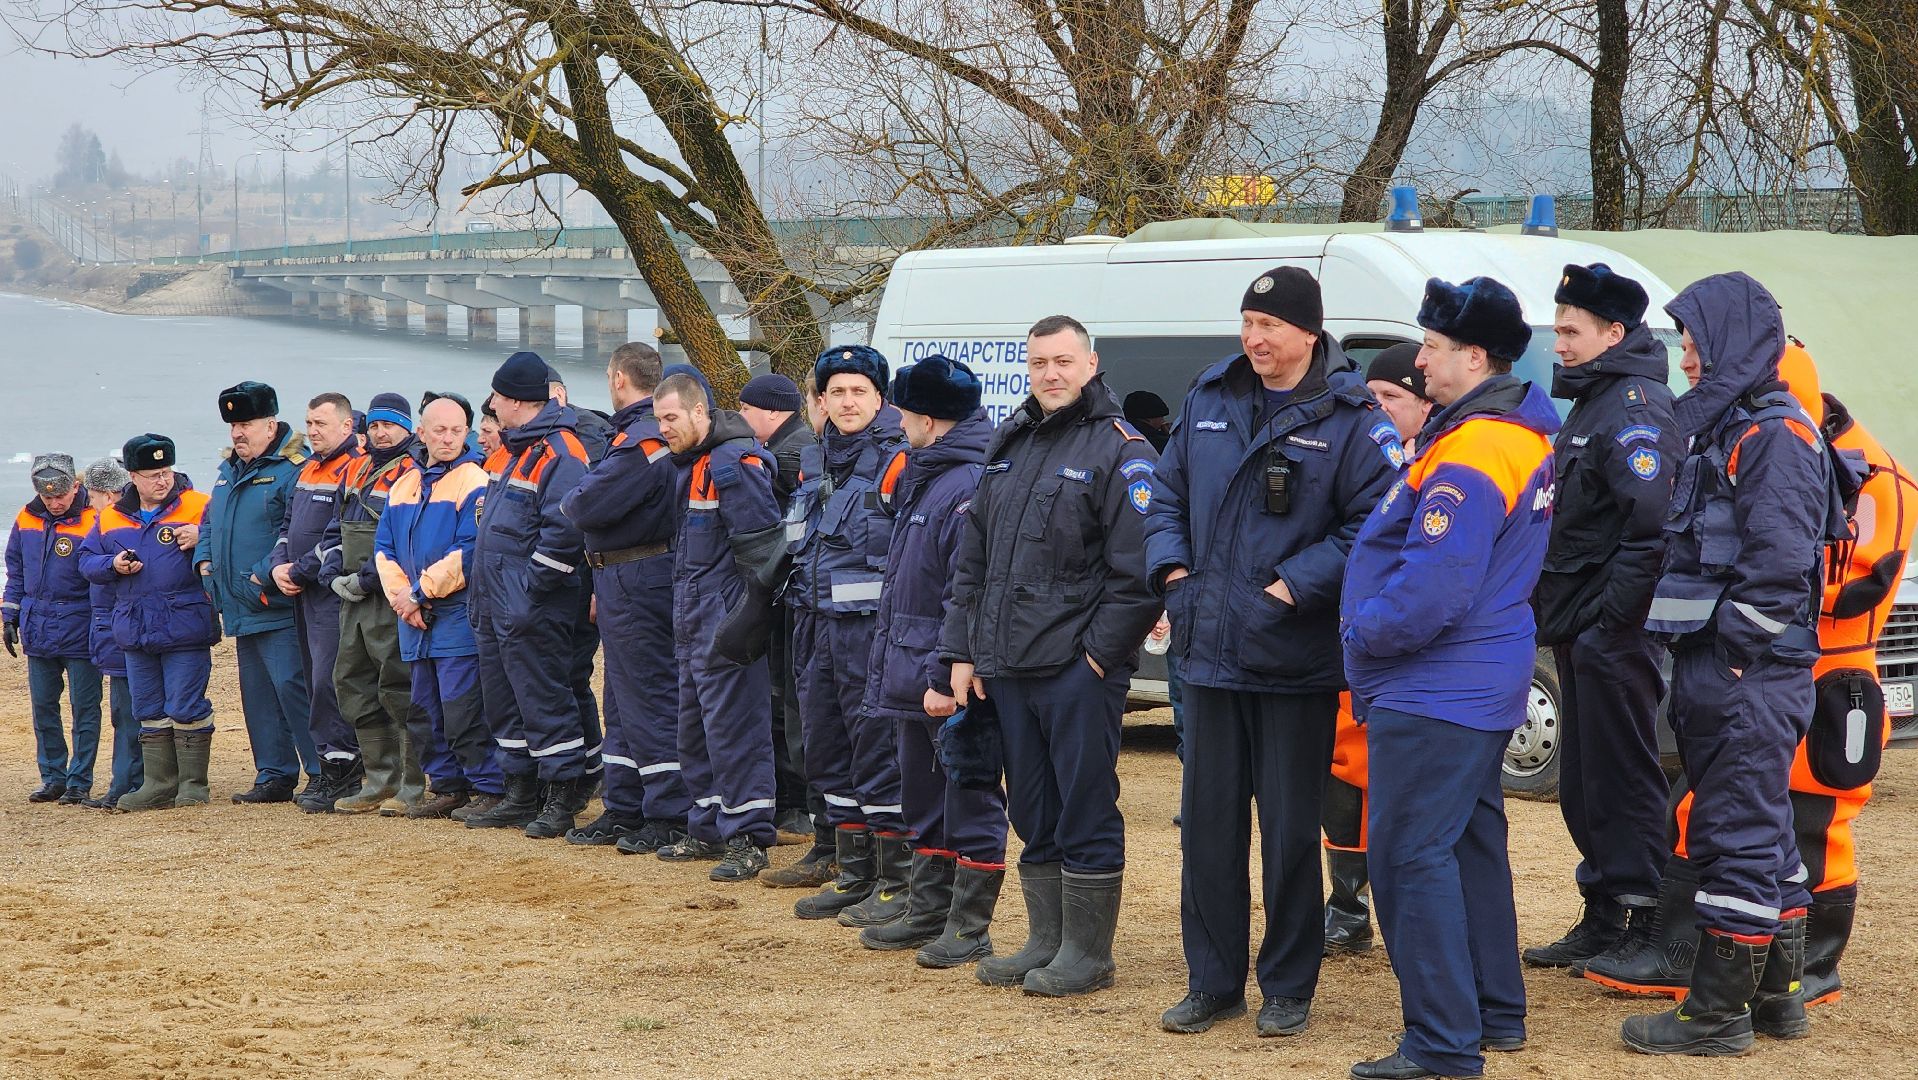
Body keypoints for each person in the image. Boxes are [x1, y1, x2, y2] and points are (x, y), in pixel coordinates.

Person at [1145, 267, 1401, 1037]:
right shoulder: (1210, 397)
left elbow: (1373, 524)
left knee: (1290, 835)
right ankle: (1212, 982)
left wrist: (1291, 588)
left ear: (1309, 334)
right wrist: (1175, 574)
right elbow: (1164, 495)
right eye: (1248, 322)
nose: (1255, 338)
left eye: (1271, 326)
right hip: (1208, 653)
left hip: (1292, 658)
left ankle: (1288, 986)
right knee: (1210, 829)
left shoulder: (1354, 417)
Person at [1340, 276, 1557, 1079]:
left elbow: (1437, 582)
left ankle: (1440, 1042)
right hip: (1472, 678)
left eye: (1431, 347)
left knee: (1407, 857)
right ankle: (1493, 1011)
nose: (1419, 359)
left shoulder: (1476, 447)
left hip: (1438, 684)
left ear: (1473, 356)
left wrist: (1365, 634)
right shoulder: (1499, 433)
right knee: (1466, 846)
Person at [1625, 277, 1846, 1057]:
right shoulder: (1734, 426)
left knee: (1736, 834)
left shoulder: (1774, 436)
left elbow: (1780, 565)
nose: (1686, 359)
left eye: (1694, 344)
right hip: (1730, 669)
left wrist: (1740, 657)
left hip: (1748, 672)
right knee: (1766, 836)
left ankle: (1715, 1014)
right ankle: (1779, 999)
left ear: (1730, 343)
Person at [941, 314, 1161, 998]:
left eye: (1063, 361)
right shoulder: (1012, 443)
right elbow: (971, 560)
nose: (1051, 374)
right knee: (1032, 810)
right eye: (1039, 363)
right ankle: (1045, 939)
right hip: (1006, 666)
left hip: (1075, 670)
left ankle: (1088, 954)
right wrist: (961, 651)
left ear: (1091, 364)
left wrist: (1097, 659)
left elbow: (1139, 573)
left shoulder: (1122, 450)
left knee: (1084, 807)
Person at [1522, 264, 1683, 972]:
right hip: (1584, 628)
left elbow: (1651, 528)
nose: (1557, 342)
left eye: (1569, 330)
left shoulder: (1636, 407)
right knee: (1587, 785)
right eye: (1557, 328)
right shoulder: (1596, 401)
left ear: (1613, 333)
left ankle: (1646, 919)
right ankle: (1604, 914)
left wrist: (1611, 625)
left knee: (1623, 777)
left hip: (1613, 633)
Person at [858, 354, 1011, 964]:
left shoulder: (963, 484)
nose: (895, 419)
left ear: (925, 416)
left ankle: (970, 927)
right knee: (924, 797)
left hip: (939, 677)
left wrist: (944, 675)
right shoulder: (933, 473)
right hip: (910, 667)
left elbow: (963, 590)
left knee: (968, 797)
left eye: (901, 409)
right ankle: (929, 911)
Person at [780, 346, 913, 925]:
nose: (848, 401)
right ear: (822, 400)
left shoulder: (900, 461)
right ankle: (853, 872)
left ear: (880, 398)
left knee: (877, 755)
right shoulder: (814, 460)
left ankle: (895, 879)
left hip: (870, 637)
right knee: (826, 753)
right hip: (813, 629)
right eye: (837, 392)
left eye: (859, 391)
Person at [1321, 344, 1434, 956]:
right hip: (1349, 640)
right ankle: (1347, 903)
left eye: (1393, 397)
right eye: (1373, 396)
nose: (1379, 408)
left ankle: (1393, 905)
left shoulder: (1439, 467)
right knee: (1342, 770)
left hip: (1406, 650)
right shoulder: (1360, 457)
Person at [558, 342, 692, 852]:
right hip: (620, 575)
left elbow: (584, 503)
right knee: (619, 696)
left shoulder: (642, 439)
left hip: (639, 574)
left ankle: (666, 811)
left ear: (618, 378)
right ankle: (625, 804)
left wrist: (583, 495)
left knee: (648, 696)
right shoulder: (638, 434)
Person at [653, 371, 784, 881]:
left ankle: (749, 836)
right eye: (659, 419)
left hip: (724, 619)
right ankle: (707, 824)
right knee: (694, 728)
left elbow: (764, 554)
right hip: (692, 617)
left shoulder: (732, 464)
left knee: (737, 731)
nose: (664, 428)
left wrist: (746, 622)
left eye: (672, 418)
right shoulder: (694, 463)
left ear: (699, 413)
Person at [463, 351, 596, 838]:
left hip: (530, 606)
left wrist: (529, 593)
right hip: (497, 603)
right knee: (504, 700)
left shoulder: (560, 452)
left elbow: (564, 531)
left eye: (498, 395)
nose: (493, 404)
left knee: (545, 699)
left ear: (518, 401)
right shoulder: (519, 449)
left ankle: (561, 796)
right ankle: (520, 791)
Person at [375, 395, 507, 820]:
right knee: (424, 708)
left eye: (456, 430)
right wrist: (403, 598)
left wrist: (420, 593)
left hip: (454, 615)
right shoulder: (404, 484)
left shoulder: (474, 480)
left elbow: (470, 550)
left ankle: (488, 786)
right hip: (413, 619)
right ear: (422, 432)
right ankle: (448, 786)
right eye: (439, 430)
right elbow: (384, 550)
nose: (448, 438)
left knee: (463, 705)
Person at [78, 435, 220, 812]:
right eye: (153, 474)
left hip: (185, 623)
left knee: (186, 704)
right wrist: (113, 565)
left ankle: (193, 786)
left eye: (167, 471)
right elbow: (86, 561)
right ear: (133, 477)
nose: (163, 480)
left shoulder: (199, 504)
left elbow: (228, 541)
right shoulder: (110, 517)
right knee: (148, 708)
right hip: (135, 626)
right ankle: (159, 785)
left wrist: (203, 536)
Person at [199, 381, 319, 804]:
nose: (237, 433)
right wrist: (204, 562)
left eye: (245, 423)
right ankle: (274, 774)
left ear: (271, 424)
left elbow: (297, 532)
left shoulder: (295, 469)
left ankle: (322, 771)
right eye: (233, 425)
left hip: (276, 602)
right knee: (258, 695)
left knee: (293, 687)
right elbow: (210, 523)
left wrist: (260, 576)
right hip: (237, 604)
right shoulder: (228, 470)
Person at [739, 371, 829, 863]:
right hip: (794, 596)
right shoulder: (797, 447)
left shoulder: (788, 455)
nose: (742, 417)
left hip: (793, 597)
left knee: (787, 699)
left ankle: (793, 803)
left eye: (748, 409)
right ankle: (794, 800)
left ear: (772, 411)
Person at [324, 393, 427, 815]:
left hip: (390, 595)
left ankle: (413, 783)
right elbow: (334, 527)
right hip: (352, 596)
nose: (381, 433)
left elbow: (406, 535)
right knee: (352, 680)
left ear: (407, 429)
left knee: (398, 684)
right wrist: (331, 571)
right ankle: (379, 779)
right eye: (376, 425)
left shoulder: (414, 472)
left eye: (390, 426)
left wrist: (369, 578)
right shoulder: (355, 467)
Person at [269, 392, 366, 813]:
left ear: (346, 427)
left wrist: (300, 569)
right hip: (302, 593)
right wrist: (278, 565)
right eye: (309, 423)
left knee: (331, 680)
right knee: (314, 681)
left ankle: (346, 769)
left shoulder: (353, 468)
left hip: (330, 594)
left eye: (321, 424)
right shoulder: (309, 467)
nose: (312, 431)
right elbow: (289, 525)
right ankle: (330, 765)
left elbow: (342, 536)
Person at [6, 453, 103, 804]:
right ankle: (53, 777)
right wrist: (9, 614)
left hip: (81, 626)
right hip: (39, 626)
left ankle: (80, 780)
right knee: (44, 708)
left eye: (60, 495)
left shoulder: (95, 518)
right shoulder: (26, 517)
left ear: (75, 486)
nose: (55, 502)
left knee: (84, 708)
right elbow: (15, 570)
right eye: (48, 497)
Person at [546, 362, 610, 811]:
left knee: (571, 674)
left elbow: (588, 518)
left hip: (580, 575)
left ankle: (589, 768)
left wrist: (595, 587)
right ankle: (590, 765)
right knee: (569, 676)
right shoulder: (572, 434)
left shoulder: (582, 439)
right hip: (573, 575)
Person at [80, 457, 141, 809]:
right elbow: (87, 562)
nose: (90, 503)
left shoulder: (112, 521)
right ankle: (129, 782)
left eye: (92, 495)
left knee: (128, 710)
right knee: (129, 709)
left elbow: (87, 563)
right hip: (117, 625)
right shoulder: (121, 519)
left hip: (121, 626)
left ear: (106, 494)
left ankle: (125, 784)